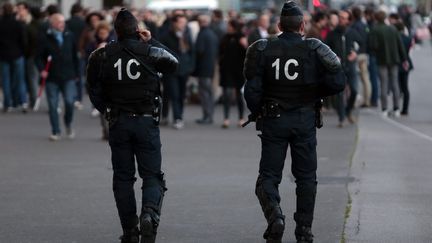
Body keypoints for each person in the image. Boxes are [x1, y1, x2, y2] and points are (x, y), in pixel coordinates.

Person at [243, 2, 345, 242]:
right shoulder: (313, 49)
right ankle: (304, 230)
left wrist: (257, 111)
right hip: (304, 119)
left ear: (279, 25)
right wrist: (314, 91)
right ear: (303, 25)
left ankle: (275, 216)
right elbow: (338, 82)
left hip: (273, 119)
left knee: (268, 176)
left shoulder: (264, 49)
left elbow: (252, 89)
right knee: (306, 178)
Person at [86, 8, 178, 243]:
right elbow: (174, 64)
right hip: (146, 120)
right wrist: (152, 40)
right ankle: (149, 213)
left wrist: (106, 109)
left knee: (123, 178)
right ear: (137, 30)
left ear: (115, 31)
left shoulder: (101, 55)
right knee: (152, 175)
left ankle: (129, 230)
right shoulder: (151, 52)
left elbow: (93, 88)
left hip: (118, 121)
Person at [37, 13, 79, 141]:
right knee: (53, 104)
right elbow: (38, 57)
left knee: (69, 102)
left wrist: (77, 73)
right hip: (52, 77)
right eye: (59, 22)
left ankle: (68, 123)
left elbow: (75, 56)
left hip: (68, 76)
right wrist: (42, 70)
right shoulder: (45, 37)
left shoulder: (70, 36)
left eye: (63, 22)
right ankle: (55, 131)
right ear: (53, 23)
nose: (62, 24)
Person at [368, 10, 408, 117]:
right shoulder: (393, 29)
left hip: (381, 60)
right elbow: (400, 45)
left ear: (376, 18)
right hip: (394, 59)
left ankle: (384, 108)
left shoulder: (375, 30)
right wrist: (404, 59)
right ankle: (396, 108)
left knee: (384, 84)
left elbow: (372, 46)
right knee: (395, 84)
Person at [159, 14, 195, 129]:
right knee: (173, 94)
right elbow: (162, 52)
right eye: (180, 22)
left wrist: (191, 66)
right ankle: (176, 118)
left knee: (181, 94)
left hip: (184, 69)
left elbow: (192, 51)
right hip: (171, 70)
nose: (183, 25)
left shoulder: (187, 34)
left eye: (184, 22)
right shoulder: (166, 35)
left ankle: (177, 116)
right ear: (174, 23)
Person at [219, 19, 247, 128]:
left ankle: (241, 118)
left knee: (238, 95)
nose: (227, 28)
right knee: (226, 95)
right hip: (226, 70)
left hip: (238, 70)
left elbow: (247, 53)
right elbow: (220, 51)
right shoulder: (225, 37)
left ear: (233, 27)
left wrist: (244, 45)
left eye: (229, 26)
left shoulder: (241, 37)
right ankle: (226, 119)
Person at [0, 2, 28, 113]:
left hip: (3, 55)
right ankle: (23, 102)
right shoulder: (18, 24)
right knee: (20, 79)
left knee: (6, 80)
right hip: (17, 54)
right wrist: (23, 52)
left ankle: (8, 104)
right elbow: (23, 41)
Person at [194, 14, 219, 124]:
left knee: (204, 93)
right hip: (211, 66)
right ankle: (209, 115)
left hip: (203, 67)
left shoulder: (202, 34)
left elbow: (199, 51)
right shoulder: (213, 34)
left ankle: (207, 116)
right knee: (209, 92)